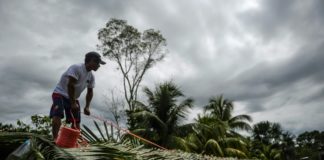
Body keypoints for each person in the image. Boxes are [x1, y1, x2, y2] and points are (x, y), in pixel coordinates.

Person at [49, 51, 106, 141]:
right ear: (92, 61)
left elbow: (90, 91)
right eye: (98, 63)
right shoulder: (76, 68)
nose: (99, 66)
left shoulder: (91, 76)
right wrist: (72, 103)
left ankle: (74, 141)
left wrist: (87, 107)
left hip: (73, 98)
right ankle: (55, 138)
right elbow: (70, 85)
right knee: (58, 114)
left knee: (76, 120)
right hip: (60, 93)